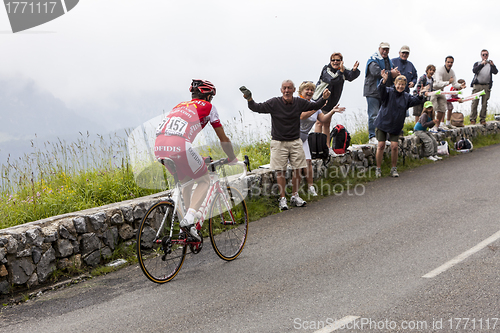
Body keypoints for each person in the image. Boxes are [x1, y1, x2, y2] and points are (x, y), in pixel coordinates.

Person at [155, 79, 237, 241]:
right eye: (211, 97)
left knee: (186, 180)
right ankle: (190, 219)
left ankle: (186, 224)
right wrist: (232, 157)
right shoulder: (209, 107)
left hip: (159, 146)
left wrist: (200, 158)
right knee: (204, 180)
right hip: (180, 145)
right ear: (208, 97)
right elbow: (223, 138)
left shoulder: (179, 106)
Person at [240, 80, 330, 210]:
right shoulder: (274, 103)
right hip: (278, 142)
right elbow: (257, 107)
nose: (287, 90)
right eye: (284, 88)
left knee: (297, 169)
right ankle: (282, 199)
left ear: (294, 90)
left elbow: (315, 105)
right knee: (280, 171)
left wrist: (324, 98)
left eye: (289, 88)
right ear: (281, 90)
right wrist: (249, 99)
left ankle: (295, 196)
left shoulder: (299, 103)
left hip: (295, 141)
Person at [374, 73, 427, 178]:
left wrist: (421, 95)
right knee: (381, 145)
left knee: (394, 147)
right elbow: (381, 90)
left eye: (403, 85)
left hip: (395, 125)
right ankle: (378, 169)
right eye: (398, 84)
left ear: (405, 85)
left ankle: (393, 168)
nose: (400, 86)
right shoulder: (388, 92)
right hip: (382, 123)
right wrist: (383, 81)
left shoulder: (406, 97)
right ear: (395, 83)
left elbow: (416, 100)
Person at [298, 81, 345, 196]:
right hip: (293, 137)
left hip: (304, 138)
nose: (309, 92)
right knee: (297, 164)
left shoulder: (315, 104)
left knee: (308, 162)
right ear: (301, 92)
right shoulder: (297, 103)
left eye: (311, 90)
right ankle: (296, 191)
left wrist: (332, 111)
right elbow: (302, 116)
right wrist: (318, 106)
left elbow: (323, 119)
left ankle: (310, 187)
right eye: (307, 89)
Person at [313, 52, 359, 151]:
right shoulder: (326, 69)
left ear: (341, 61)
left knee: (327, 123)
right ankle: (317, 147)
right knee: (319, 122)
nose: (335, 62)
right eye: (333, 60)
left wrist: (354, 70)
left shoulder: (342, 69)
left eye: (338, 60)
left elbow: (350, 76)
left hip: (332, 101)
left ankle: (326, 147)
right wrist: (341, 72)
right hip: (321, 99)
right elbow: (332, 79)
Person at [364, 42, 400, 144]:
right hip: (372, 91)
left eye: (387, 49)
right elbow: (376, 72)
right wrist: (391, 73)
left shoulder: (388, 60)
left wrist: (396, 74)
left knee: (384, 115)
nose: (385, 51)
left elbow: (390, 72)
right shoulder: (373, 59)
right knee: (373, 115)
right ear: (379, 49)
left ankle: (382, 137)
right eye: (383, 49)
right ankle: (372, 137)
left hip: (384, 91)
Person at [431, 56, 466, 129]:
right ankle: (432, 126)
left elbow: (454, 84)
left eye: (451, 62)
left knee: (442, 108)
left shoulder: (452, 72)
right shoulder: (440, 70)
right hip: (433, 90)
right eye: (448, 62)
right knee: (433, 108)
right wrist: (448, 82)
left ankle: (438, 126)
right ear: (445, 62)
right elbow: (437, 83)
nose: (450, 64)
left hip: (441, 91)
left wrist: (460, 86)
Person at [470, 49, 498, 125]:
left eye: (486, 55)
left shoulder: (490, 65)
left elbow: (495, 72)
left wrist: (493, 65)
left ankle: (482, 119)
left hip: (486, 86)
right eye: (483, 55)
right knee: (474, 103)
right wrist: (482, 64)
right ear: (481, 56)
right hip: (477, 85)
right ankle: (473, 119)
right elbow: (474, 70)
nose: (485, 56)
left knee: (484, 103)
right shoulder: (477, 63)